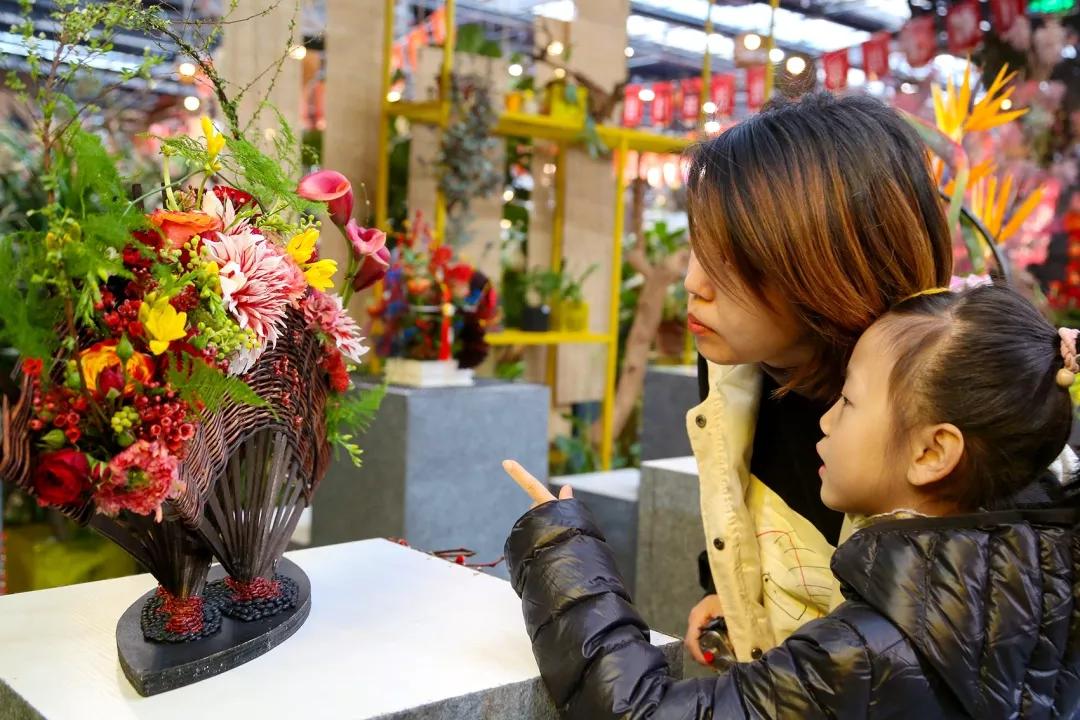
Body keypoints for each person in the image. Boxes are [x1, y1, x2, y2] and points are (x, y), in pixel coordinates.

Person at [503, 283, 1080, 718]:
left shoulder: (866, 653)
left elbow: (641, 712)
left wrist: (563, 552)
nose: (825, 418)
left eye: (849, 401)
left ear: (933, 452)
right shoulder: (1041, 576)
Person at [681, 91, 958, 664]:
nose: (693, 283)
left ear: (834, 268)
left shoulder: (941, 415)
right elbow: (728, 497)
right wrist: (726, 592)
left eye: (730, 260)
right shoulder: (731, 364)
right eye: (696, 245)